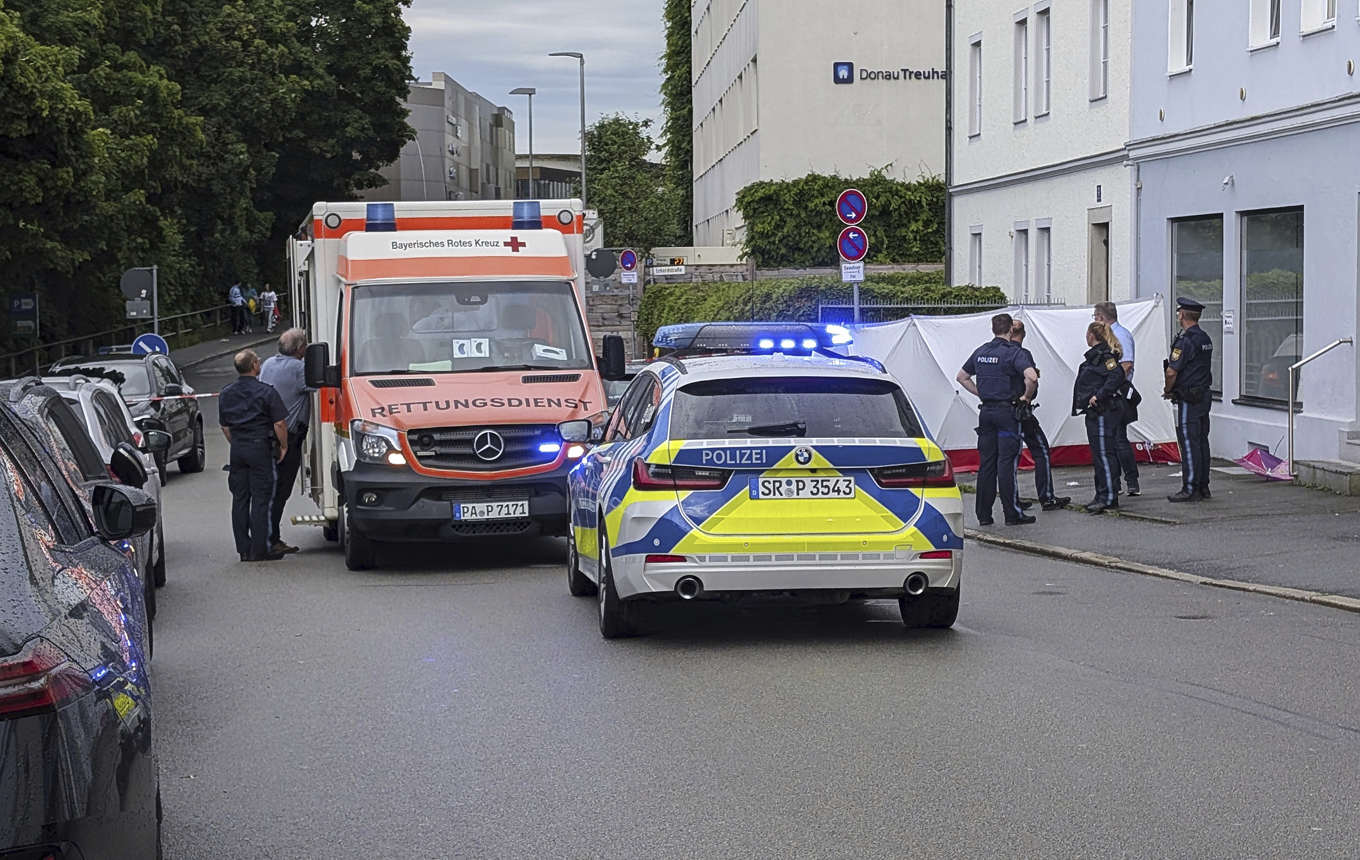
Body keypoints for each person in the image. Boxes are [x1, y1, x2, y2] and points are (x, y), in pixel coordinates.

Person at [957, 313, 1038, 526]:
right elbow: (1032, 377)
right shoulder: (1013, 353)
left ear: (993, 329)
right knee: (1007, 463)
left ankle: (983, 515)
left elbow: (962, 377)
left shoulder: (981, 351)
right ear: (1011, 329)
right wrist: (1026, 397)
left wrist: (981, 393)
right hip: (1007, 414)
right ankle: (1012, 514)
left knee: (987, 464)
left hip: (986, 414)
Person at [219, 349, 288, 562]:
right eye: (258, 361)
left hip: (238, 449)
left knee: (239, 498)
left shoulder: (226, 392)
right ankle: (260, 549)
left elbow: (225, 426)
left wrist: (237, 443)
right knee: (261, 499)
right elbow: (279, 423)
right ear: (254, 367)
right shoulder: (266, 392)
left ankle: (243, 549)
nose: (260, 363)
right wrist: (283, 446)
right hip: (260, 448)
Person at [259, 328, 313, 555]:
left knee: (268, 489)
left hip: (266, 435)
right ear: (301, 349)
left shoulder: (269, 364)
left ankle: (264, 537)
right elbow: (319, 385)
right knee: (281, 490)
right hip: (287, 438)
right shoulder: (299, 368)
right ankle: (271, 539)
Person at [1010, 320, 1071, 512]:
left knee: (1009, 457)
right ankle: (1047, 497)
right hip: (1022, 411)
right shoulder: (1022, 354)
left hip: (1002, 410)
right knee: (1041, 451)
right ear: (1024, 334)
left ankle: (1012, 499)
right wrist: (1027, 397)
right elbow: (1032, 378)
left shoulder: (995, 352)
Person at [1072, 322, 1129, 513]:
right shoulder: (1096, 356)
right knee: (1099, 454)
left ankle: (1109, 496)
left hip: (1105, 410)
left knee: (1105, 454)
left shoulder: (1105, 356)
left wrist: (1099, 395)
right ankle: (1101, 494)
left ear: (1091, 335)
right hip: (1095, 411)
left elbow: (1117, 376)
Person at [1164, 297, 1215, 502]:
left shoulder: (1186, 341)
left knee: (1189, 442)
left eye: (1179, 313)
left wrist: (1168, 390)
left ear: (1182, 315)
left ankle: (1190, 487)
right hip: (1204, 394)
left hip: (1189, 397)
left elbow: (1171, 372)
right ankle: (1203, 486)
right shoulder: (1205, 338)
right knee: (1202, 441)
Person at [1094, 301, 1140, 496]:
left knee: (1119, 438)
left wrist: (1111, 383)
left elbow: (1126, 364)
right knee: (1112, 439)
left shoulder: (1120, 335)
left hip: (1119, 392)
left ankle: (1131, 480)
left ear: (1101, 318)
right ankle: (1117, 482)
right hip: (1110, 391)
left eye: (1095, 317)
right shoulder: (1109, 336)